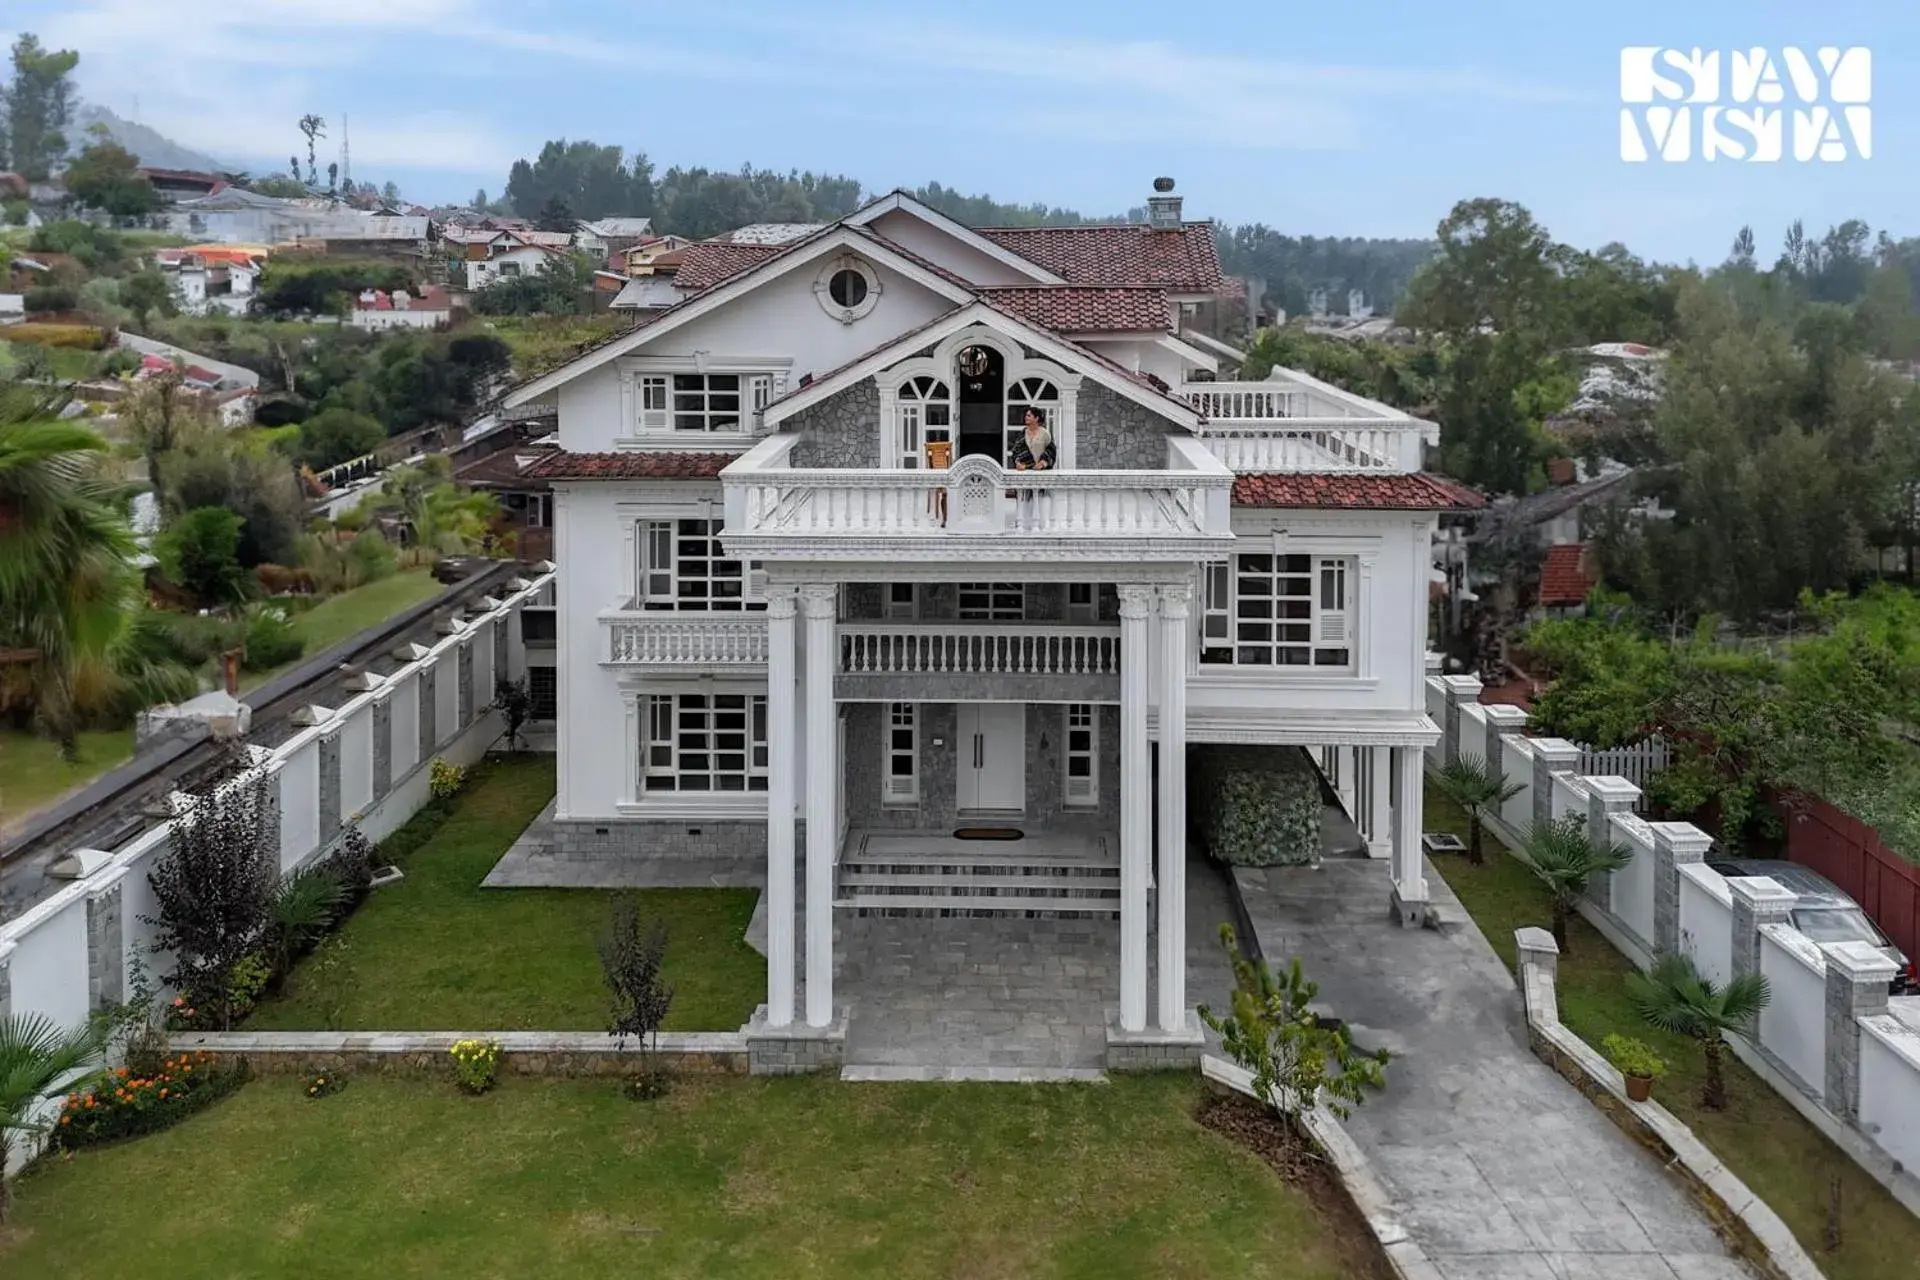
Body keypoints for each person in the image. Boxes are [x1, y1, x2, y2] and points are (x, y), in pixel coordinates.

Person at [1010, 408, 1055, 530]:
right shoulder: (1023, 433)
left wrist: (1043, 463)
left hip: (1040, 473)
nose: (1026, 417)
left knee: (1040, 498)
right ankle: (1024, 525)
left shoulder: (1045, 434)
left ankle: (1041, 524)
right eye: (1026, 415)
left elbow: (1052, 451)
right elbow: (1015, 451)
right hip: (1025, 472)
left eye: (1029, 415)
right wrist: (1018, 463)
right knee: (1025, 498)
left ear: (1036, 418)